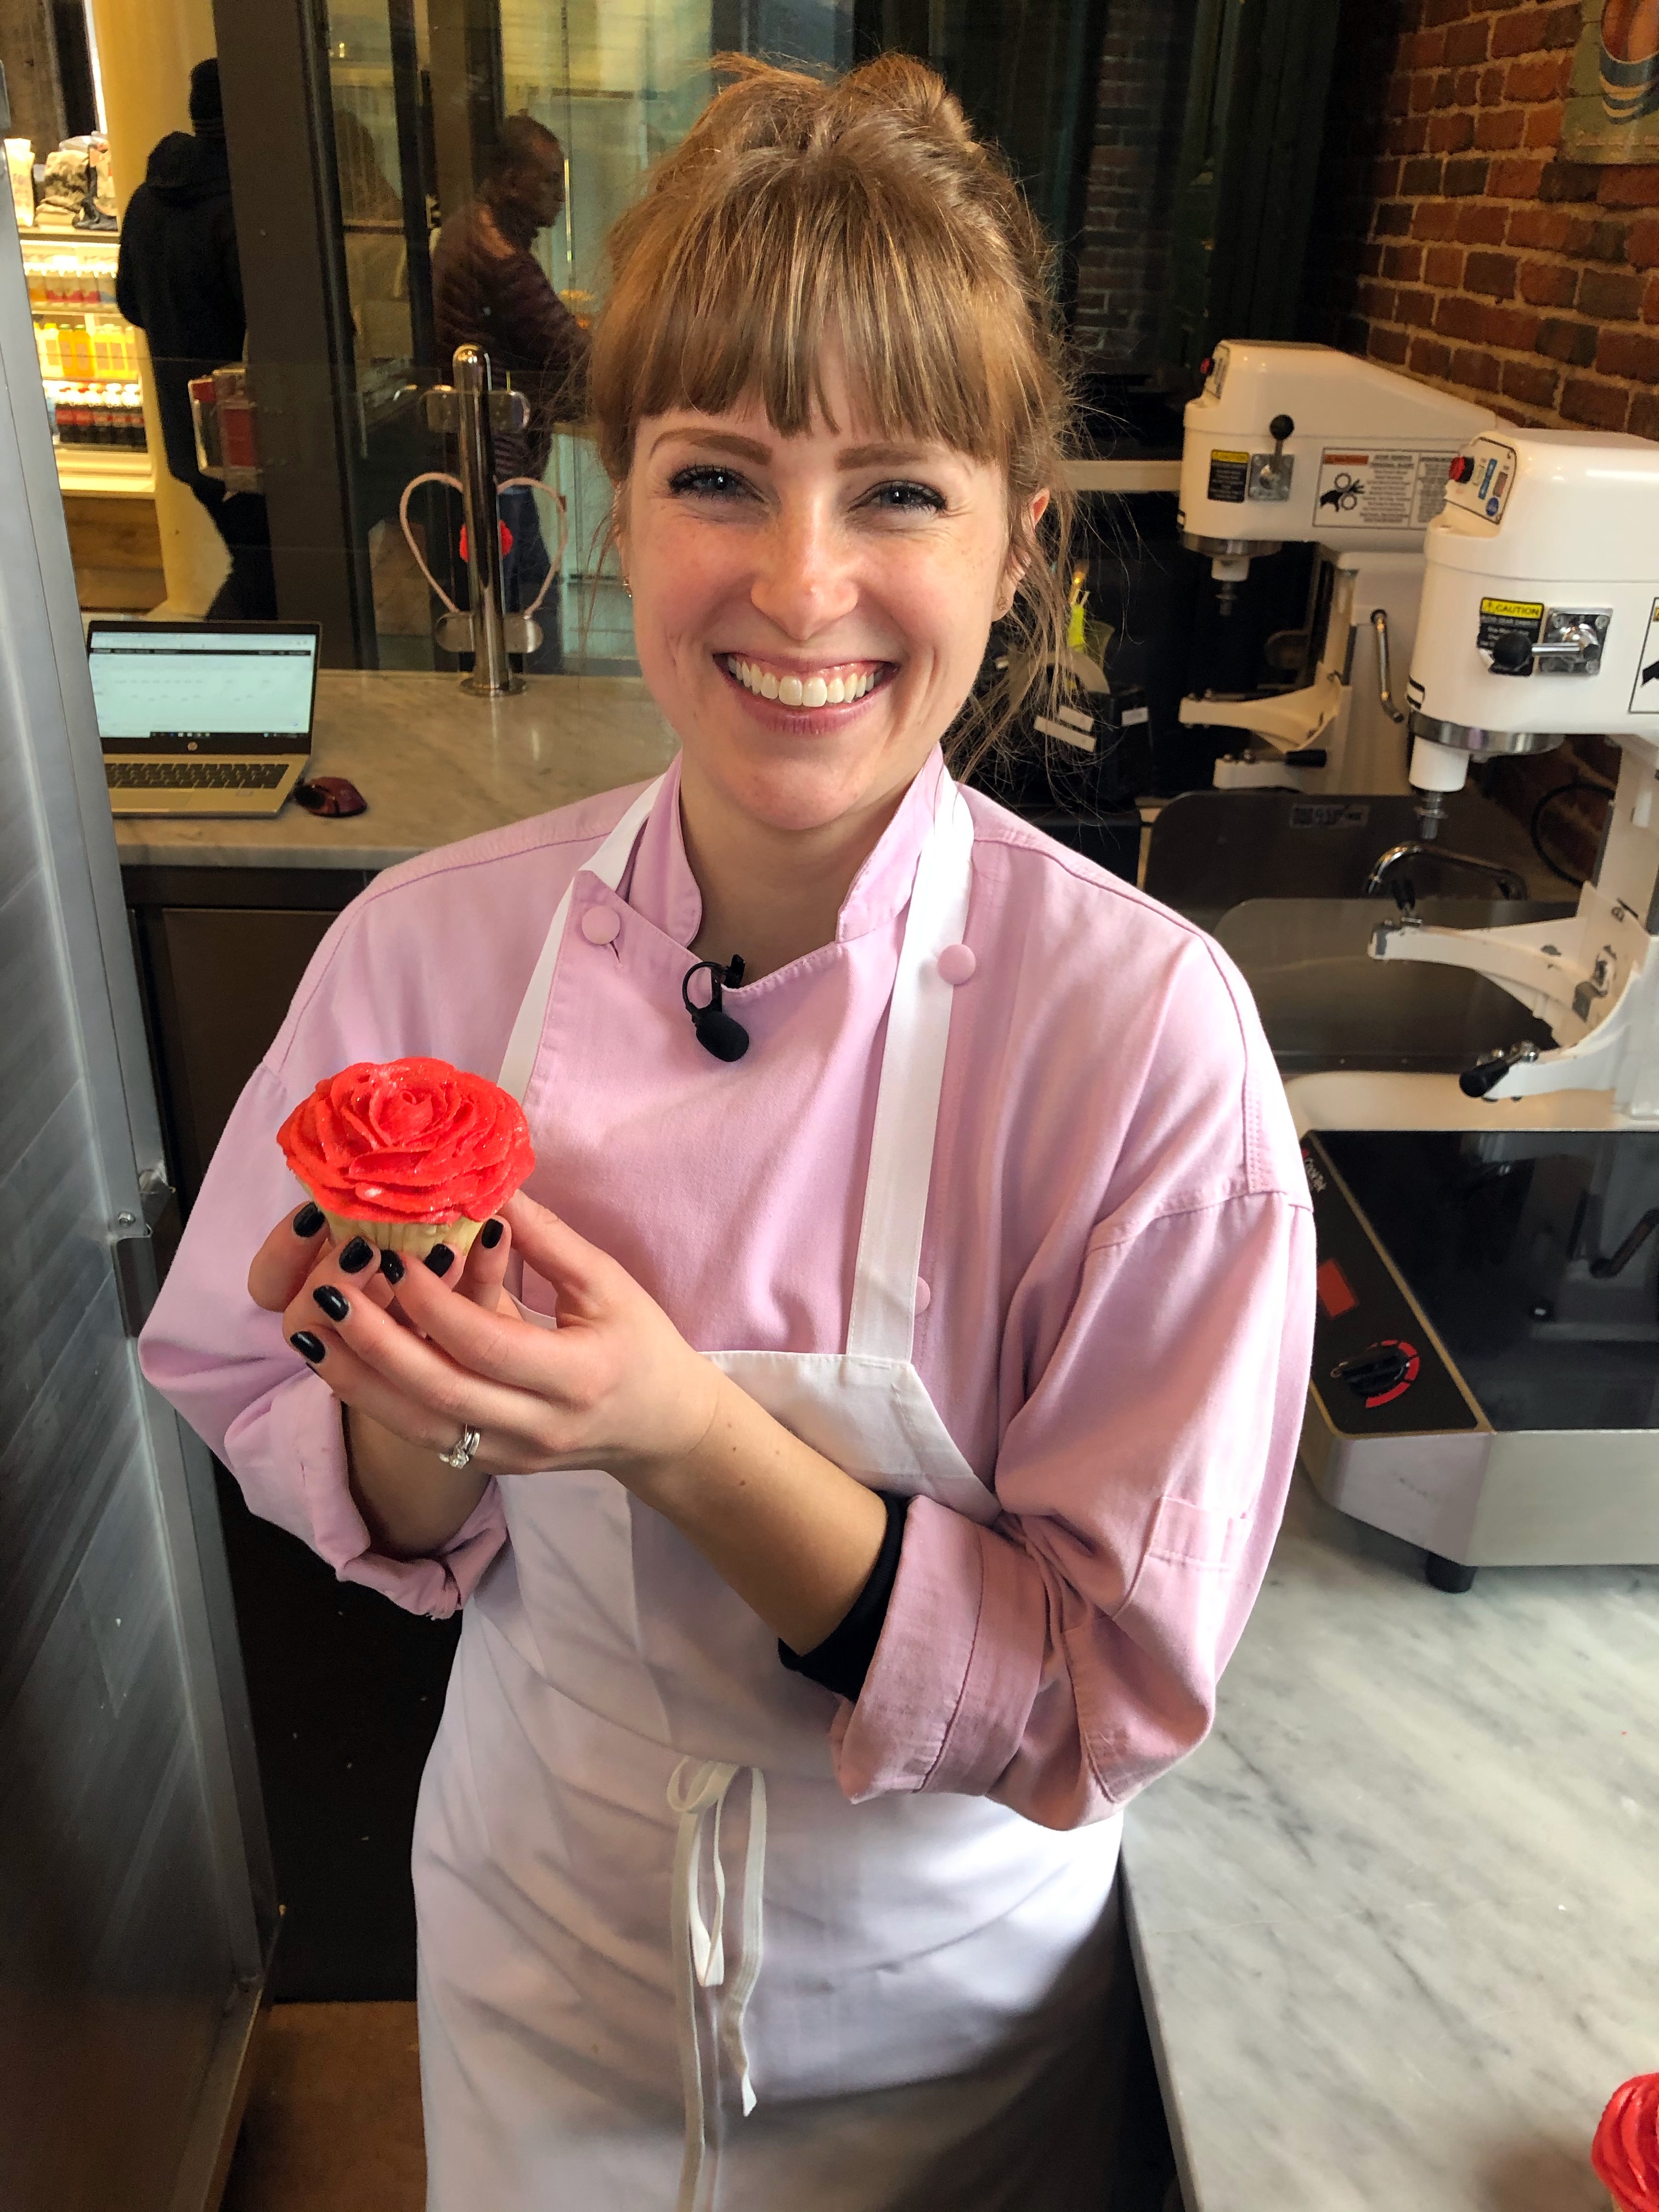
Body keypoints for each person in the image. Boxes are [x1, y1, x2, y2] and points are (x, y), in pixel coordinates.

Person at [141, 56, 1314, 2212]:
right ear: (606, 503)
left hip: (943, 2038)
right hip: (536, 1960)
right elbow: (394, 1509)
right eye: (716, 476)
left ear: (1016, 540)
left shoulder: (1146, 1049)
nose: (799, 582)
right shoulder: (425, 957)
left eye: (896, 491)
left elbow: (1088, 1694)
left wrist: (680, 1429)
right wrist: (432, 1395)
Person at [115, 58, 276, 620]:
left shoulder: (145, 200)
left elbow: (131, 303)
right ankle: (207, 680)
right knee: (266, 575)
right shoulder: (242, 207)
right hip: (252, 436)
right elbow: (281, 327)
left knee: (258, 567)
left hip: (187, 431)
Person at [431, 112, 589, 672]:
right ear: (507, 178)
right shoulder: (501, 258)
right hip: (497, 461)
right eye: (547, 180)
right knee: (527, 606)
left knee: (521, 597)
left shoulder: (469, 230)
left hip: (491, 456)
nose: (559, 196)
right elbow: (572, 354)